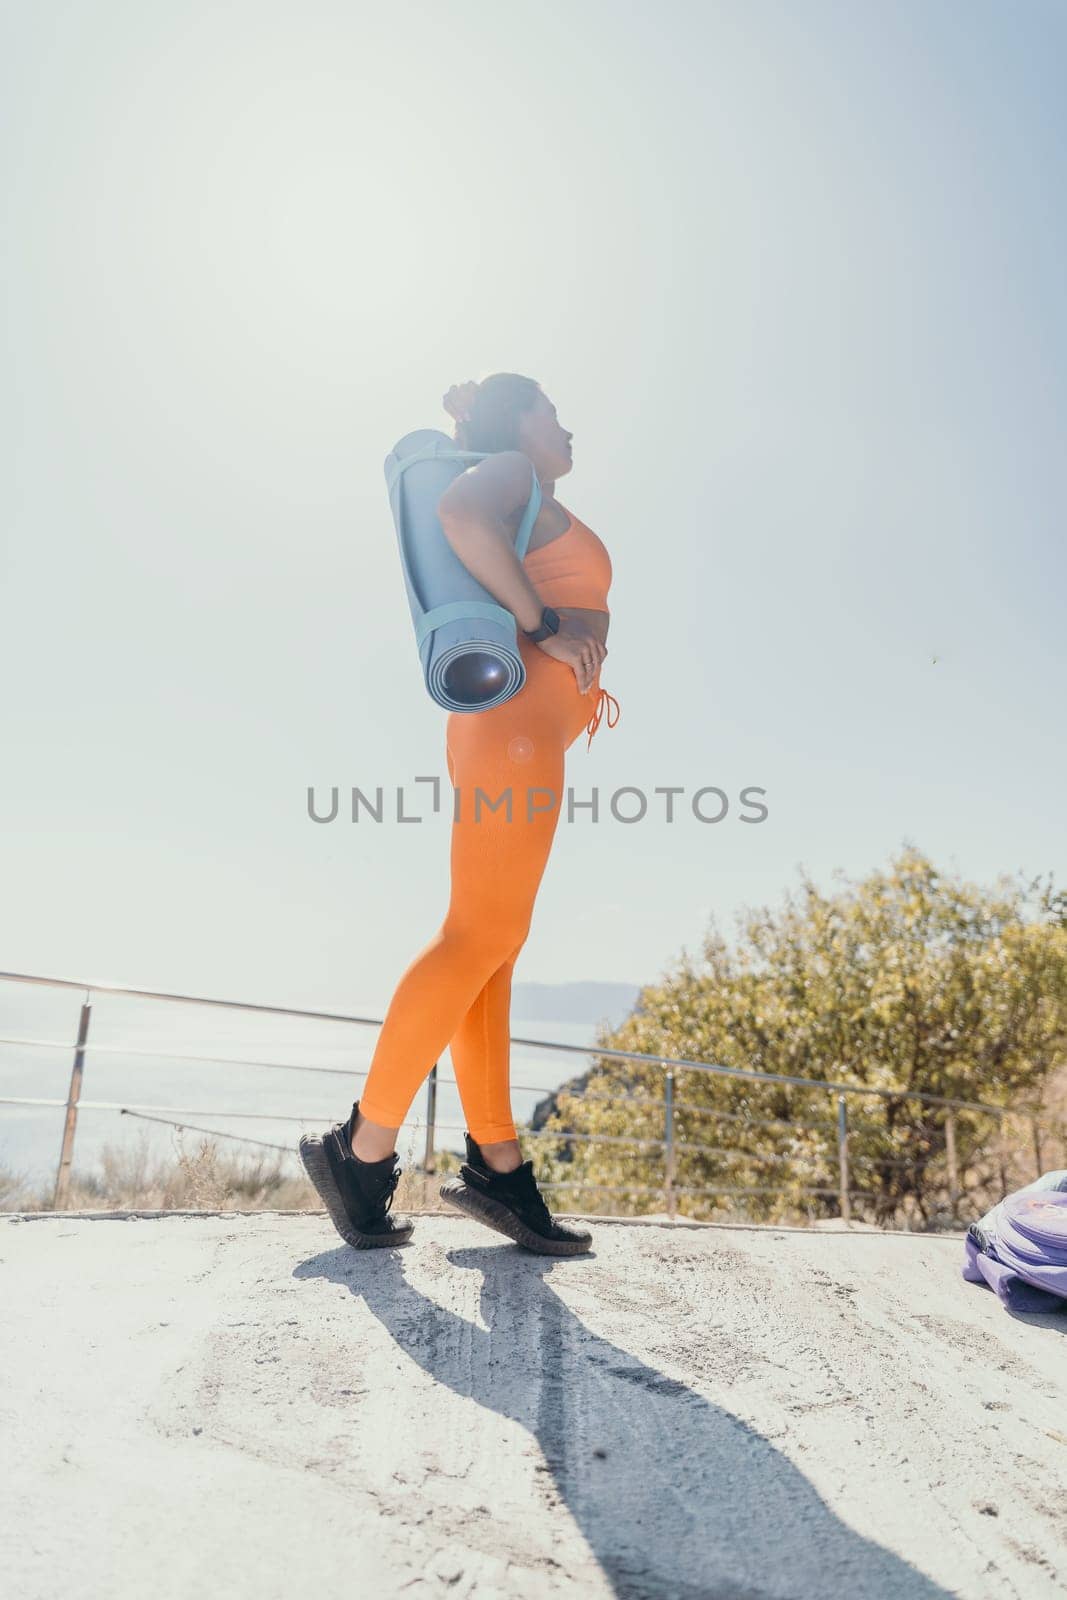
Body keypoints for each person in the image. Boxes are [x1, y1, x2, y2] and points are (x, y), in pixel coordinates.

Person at [299, 373, 620, 1253]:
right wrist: (546, 621)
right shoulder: (509, 467)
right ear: (515, 421)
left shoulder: (531, 488)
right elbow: (459, 518)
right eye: (552, 411)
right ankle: (359, 1152)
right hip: (513, 732)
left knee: (492, 946)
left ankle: (499, 1169)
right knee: (477, 940)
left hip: (516, 733)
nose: (565, 427)